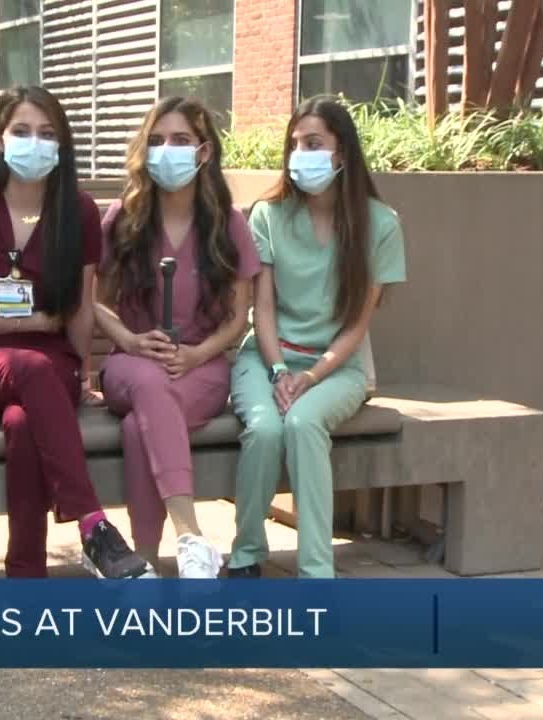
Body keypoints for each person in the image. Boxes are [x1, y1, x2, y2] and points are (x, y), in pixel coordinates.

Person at [0, 85, 152, 579]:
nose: (35, 142)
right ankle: (93, 525)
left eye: (47, 133)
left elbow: (81, 307)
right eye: (22, 131)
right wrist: (33, 322)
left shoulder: (78, 212)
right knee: (31, 369)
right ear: (0, 139)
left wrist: (82, 372)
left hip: (49, 371)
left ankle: (26, 579)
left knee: (23, 423)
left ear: (62, 145)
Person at [229, 96, 407, 579]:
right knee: (265, 430)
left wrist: (310, 377)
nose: (299, 155)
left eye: (313, 144)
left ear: (341, 152)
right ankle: (246, 555)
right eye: (294, 144)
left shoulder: (381, 224)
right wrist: (279, 371)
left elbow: (357, 325)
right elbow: (262, 309)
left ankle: (316, 573)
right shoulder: (268, 215)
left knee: (304, 424)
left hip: (338, 366)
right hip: (265, 358)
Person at [94, 97, 259, 578]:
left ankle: (144, 564)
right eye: (157, 140)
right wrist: (129, 340)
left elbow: (238, 317)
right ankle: (191, 536)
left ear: (204, 151)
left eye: (181, 140)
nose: (167, 150)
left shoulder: (228, 223)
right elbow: (94, 301)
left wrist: (196, 354)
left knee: (137, 427)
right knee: (149, 383)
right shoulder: (123, 217)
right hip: (129, 364)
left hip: (202, 368)